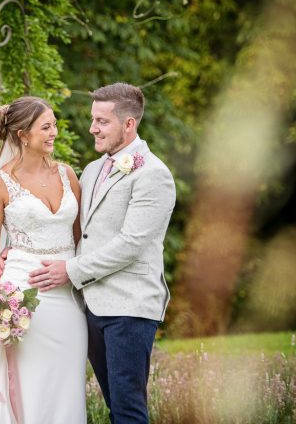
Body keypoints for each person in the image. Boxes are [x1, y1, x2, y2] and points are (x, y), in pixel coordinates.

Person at [24, 83, 176, 424]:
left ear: (129, 125)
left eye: (102, 121)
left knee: (127, 409)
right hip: (91, 306)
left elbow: (131, 244)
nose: (92, 128)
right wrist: (16, 252)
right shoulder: (92, 170)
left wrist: (71, 270)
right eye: (93, 119)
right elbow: (74, 232)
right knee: (114, 406)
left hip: (130, 307)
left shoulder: (154, 174)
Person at [0, 96, 88, 424]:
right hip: (23, 305)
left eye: (54, 124)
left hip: (67, 302)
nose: (54, 132)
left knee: (66, 387)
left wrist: (72, 269)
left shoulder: (68, 175)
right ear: (23, 134)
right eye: (46, 126)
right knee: (27, 386)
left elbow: (81, 236)